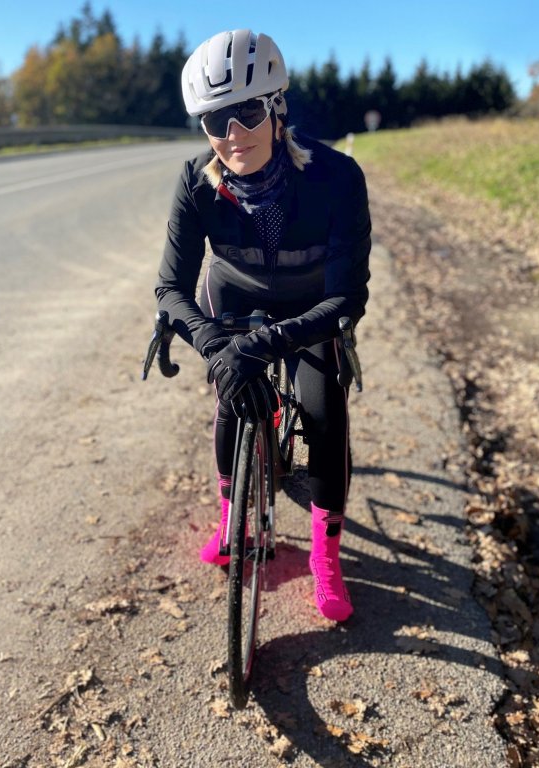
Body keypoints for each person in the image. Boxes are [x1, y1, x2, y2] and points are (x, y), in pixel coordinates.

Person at [155, 29, 371, 622]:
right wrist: (214, 345)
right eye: (214, 120)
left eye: (247, 113)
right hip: (234, 296)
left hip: (310, 307)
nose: (232, 134)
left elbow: (348, 297)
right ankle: (233, 522)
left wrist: (266, 344)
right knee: (232, 398)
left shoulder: (338, 177)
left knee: (324, 410)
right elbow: (170, 289)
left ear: (277, 107)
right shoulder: (195, 180)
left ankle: (325, 556)